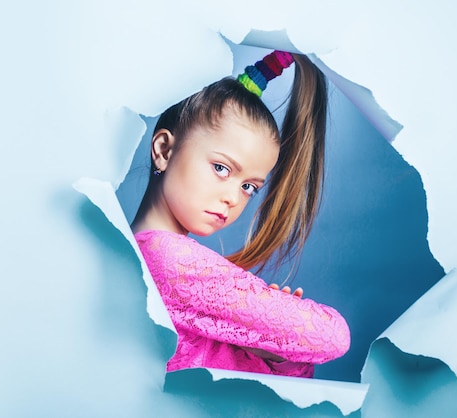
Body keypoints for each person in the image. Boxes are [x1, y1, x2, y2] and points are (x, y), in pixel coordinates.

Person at [131, 51, 350, 378]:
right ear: (164, 150)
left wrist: (268, 346)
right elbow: (333, 336)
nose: (234, 198)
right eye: (221, 168)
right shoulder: (170, 262)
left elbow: (268, 383)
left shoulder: (150, 259)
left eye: (249, 186)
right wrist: (281, 330)